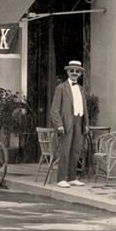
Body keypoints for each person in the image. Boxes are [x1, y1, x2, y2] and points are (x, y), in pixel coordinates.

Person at [49, 60, 89, 188]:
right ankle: (61, 178)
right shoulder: (61, 88)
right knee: (65, 151)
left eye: (77, 71)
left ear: (80, 74)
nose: (74, 73)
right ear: (67, 72)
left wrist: (86, 124)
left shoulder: (81, 88)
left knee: (76, 150)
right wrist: (59, 124)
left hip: (79, 121)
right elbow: (54, 110)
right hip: (66, 123)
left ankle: (72, 178)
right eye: (71, 70)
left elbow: (84, 108)